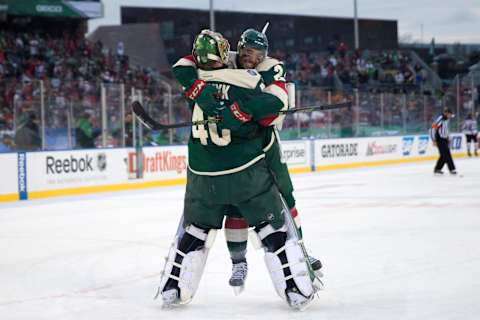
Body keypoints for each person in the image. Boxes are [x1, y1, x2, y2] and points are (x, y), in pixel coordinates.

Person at [158, 30, 318, 309]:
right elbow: (274, 108)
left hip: (202, 171)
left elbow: (180, 66)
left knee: (195, 228)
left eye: (257, 54)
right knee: (272, 224)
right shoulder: (250, 80)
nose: (250, 57)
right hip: (247, 166)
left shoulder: (195, 78)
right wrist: (245, 112)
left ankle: (174, 285)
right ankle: (295, 284)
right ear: (230, 53)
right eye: (246, 51)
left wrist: (196, 90)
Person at [431, 108, 457, 175]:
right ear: (446, 113)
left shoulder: (447, 119)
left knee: (443, 155)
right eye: (450, 115)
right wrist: (433, 140)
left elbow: (445, 129)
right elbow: (433, 128)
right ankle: (452, 169)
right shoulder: (440, 119)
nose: (450, 116)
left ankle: (437, 169)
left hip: (444, 139)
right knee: (447, 154)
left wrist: (448, 136)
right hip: (440, 139)